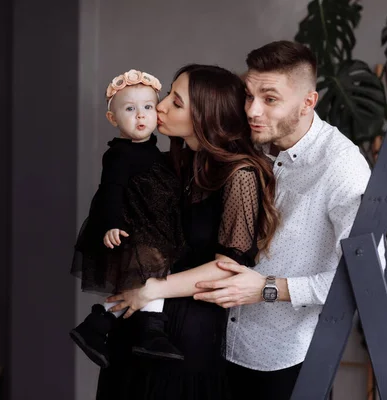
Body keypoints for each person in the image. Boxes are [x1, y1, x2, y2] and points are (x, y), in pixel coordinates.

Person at [192, 40, 386, 400]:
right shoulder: (247, 144)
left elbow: (368, 274)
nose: (252, 111)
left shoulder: (342, 167)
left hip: (286, 363)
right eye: (248, 95)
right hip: (216, 346)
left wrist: (267, 288)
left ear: (308, 102)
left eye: (270, 99)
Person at [95, 64, 280, 400]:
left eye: (176, 103)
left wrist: (150, 290)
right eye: (167, 94)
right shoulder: (171, 165)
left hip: (185, 337)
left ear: (206, 118)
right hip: (139, 323)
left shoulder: (239, 176)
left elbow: (228, 267)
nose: (160, 106)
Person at [70, 69, 186, 369]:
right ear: (113, 120)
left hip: (149, 228)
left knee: (148, 277)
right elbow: (110, 190)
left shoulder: (154, 153)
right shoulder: (119, 155)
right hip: (129, 229)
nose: (141, 116)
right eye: (130, 109)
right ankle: (151, 331)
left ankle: (98, 324)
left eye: (148, 107)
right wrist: (111, 223)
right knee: (156, 272)